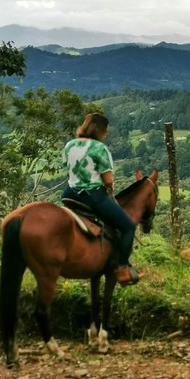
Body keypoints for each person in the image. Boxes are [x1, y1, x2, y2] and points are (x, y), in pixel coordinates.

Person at [62, 113, 140, 286]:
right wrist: (109, 188)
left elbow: (68, 169)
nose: (105, 135)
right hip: (92, 197)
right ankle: (122, 269)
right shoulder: (99, 148)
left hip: (69, 194)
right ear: (97, 130)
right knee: (127, 227)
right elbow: (108, 180)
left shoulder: (69, 145)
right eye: (104, 132)